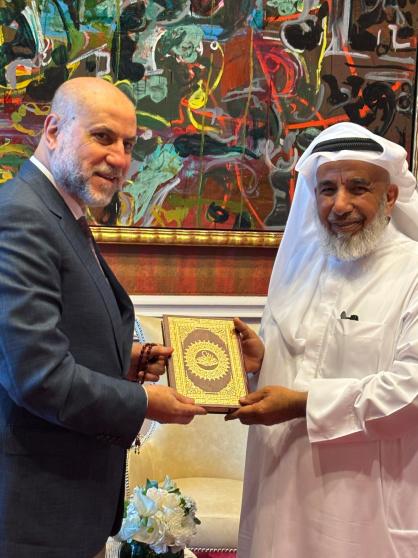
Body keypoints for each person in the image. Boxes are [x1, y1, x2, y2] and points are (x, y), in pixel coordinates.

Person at [0, 77, 206, 558]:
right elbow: (38, 376)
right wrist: (144, 402)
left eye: (128, 144)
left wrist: (123, 358)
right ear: (53, 130)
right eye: (103, 137)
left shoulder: (59, 211)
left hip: (66, 510)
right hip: (33, 515)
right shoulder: (22, 216)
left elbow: (45, 340)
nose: (119, 158)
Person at [227, 122, 418, 558]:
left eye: (358, 188)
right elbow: (305, 361)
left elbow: (411, 392)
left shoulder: (412, 272)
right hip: (281, 489)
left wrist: (303, 404)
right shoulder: (301, 266)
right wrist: (262, 362)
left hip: (364, 506)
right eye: (327, 189)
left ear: (390, 196)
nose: (340, 204)